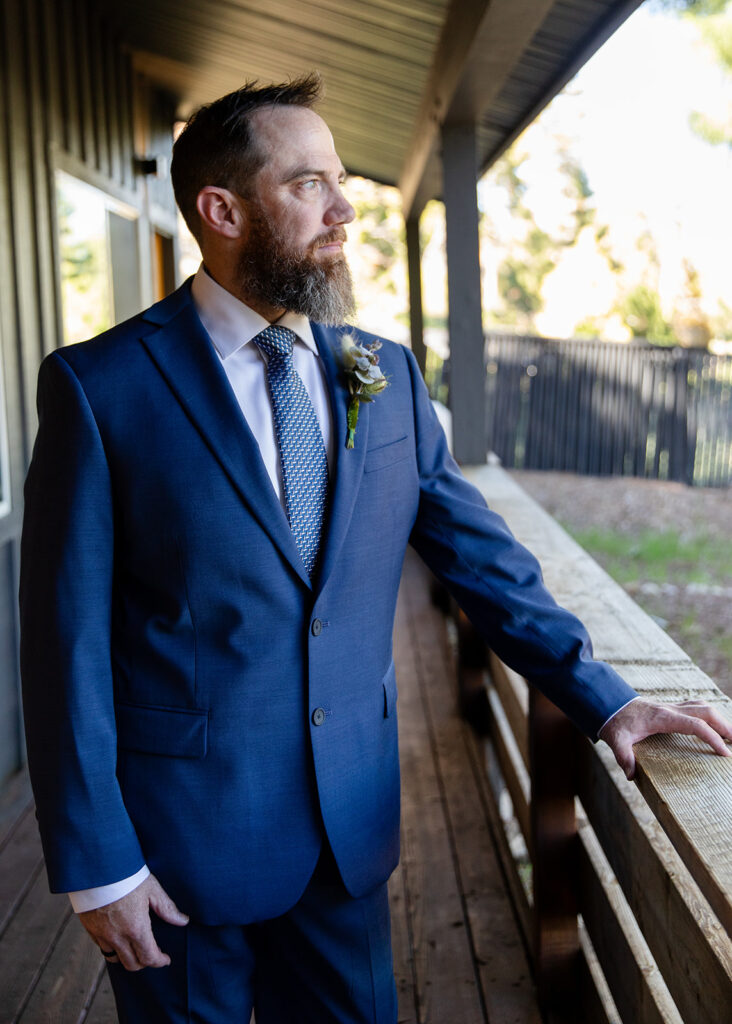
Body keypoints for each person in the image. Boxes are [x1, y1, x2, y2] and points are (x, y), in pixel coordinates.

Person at [19, 74, 731, 1024]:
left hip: (347, 833)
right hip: (177, 846)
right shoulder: (100, 387)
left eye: (342, 179)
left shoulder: (380, 371)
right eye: (308, 183)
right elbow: (62, 642)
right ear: (221, 209)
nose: (345, 207)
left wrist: (607, 699)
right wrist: (98, 862)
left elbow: (482, 560)